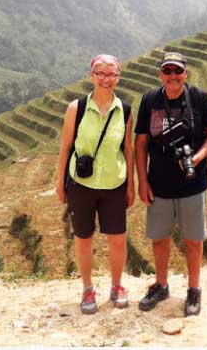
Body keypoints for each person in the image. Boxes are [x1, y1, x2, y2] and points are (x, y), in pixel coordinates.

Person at [134, 51, 207, 317]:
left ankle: (194, 289)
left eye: (177, 71)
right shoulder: (150, 100)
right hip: (158, 184)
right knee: (159, 238)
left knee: (193, 240)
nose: (173, 76)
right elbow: (141, 142)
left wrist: (196, 157)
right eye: (167, 71)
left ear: (186, 73)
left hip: (192, 185)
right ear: (160, 74)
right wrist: (142, 180)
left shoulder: (198, 98)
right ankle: (161, 285)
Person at [56, 54, 135, 315]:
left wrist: (131, 185)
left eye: (111, 74)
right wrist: (60, 184)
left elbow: (128, 149)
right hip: (81, 184)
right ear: (92, 76)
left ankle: (116, 286)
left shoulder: (124, 110)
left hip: (114, 183)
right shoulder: (76, 109)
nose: (106, 79)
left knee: (118, 239)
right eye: (100, 73)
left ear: (118, 78)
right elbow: (65, 148)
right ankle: (88, 288)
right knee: (83, 237)